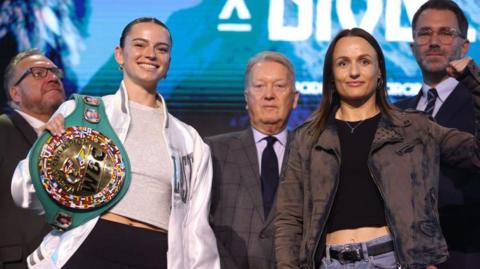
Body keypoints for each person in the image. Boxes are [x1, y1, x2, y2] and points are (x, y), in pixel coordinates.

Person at [11, 17, 220, 269]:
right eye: (140, 45)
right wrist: (46, 153)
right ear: (120, 55)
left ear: (168, 64)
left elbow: (195, 227)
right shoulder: (80, 113)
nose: (150, 54)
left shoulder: (190, 141)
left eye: (161, 49)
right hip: (89, 246)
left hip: (155, 254)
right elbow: (24, 191)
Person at [274, 27, 480, 269]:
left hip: (392, 261)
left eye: (364, 61)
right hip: (328, 262)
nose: (353, 72)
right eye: (342, 63)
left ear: (379, 70)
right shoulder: (307, 138)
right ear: (331, 74)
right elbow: (289, 219)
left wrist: (474, 82)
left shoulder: (414, 128)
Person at [395, 1, 480, 267]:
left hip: (466, 255)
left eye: (445, 33)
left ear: (464, 46)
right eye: (424, 33)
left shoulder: (476, 105)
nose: (434, 41)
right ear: (412, 47)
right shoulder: (395, 114)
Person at [206, 51, 299, 269]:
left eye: (279, 86)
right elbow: (197, 222)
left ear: (294, 99)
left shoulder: (312, 154)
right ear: (246, 98)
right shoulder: (212, 150)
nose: (269, 95)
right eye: (259, 86)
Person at [0, 49, 64, 268]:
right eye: (38, 73)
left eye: (55, 72)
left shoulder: (78, 136)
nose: (53, 77)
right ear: (15, 93)